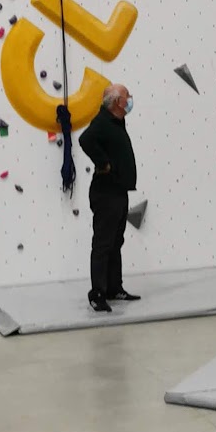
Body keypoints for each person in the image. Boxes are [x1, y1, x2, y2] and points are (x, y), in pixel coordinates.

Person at [79, 84, 140, 313]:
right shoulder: (102, 122)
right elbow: (85, 140)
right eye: (127, 96)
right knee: (103, 243)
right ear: (116, 102)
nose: (130, 99)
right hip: (106, 193)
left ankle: (114, 287)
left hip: (118, 191)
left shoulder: (116, 121)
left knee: (116, 241)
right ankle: (97, 293)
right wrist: (103, 163)